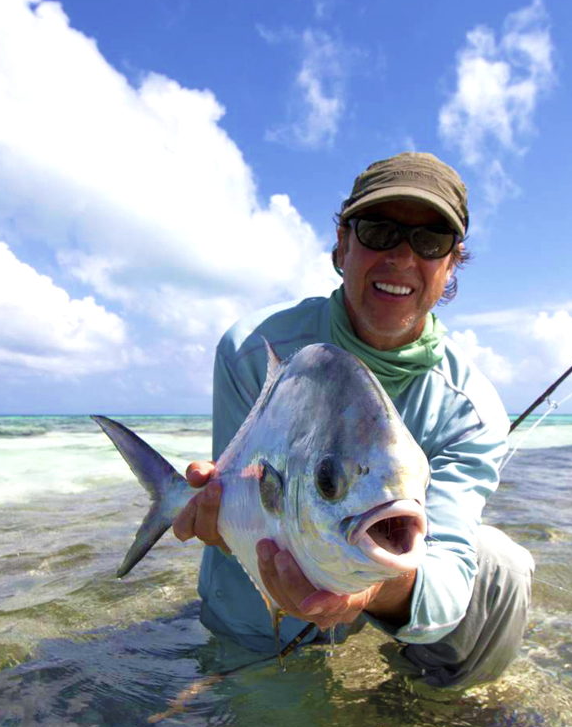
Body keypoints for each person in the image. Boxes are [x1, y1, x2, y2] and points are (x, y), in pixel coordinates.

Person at [173, 152, 534, 689]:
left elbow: (451, 579)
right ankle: (255, 658)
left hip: (374, 577)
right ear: (342, 244)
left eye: (430, 241)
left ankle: (432, 697)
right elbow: (244, 504)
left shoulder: (471, 409)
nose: (402, 257)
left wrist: (369, 593)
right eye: (379, 231)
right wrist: (214, 517)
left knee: (501, 567)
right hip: (259, 602)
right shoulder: (253, 351)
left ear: (453, 264)